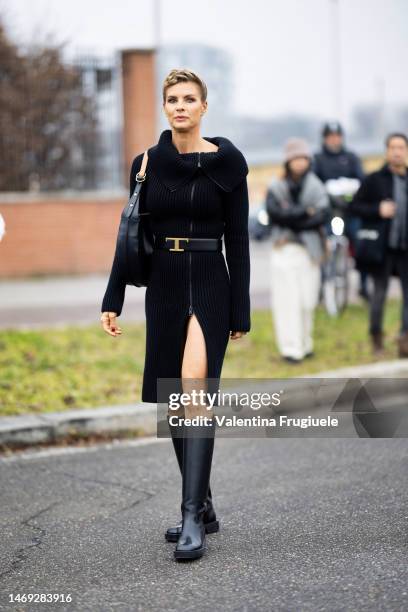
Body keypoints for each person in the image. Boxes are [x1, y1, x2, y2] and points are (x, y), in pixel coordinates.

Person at [100, 69, 251, 561]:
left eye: (189, 98)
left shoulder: (229, 163)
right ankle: (203, 504)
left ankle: (190, 518)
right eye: (172, 99)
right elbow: (128, 235)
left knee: (193, 388)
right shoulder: (145, 164)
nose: (180, 106)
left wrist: (240, 307)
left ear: (204, 106)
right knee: (173, 400)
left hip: (210, 278)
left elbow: (240, 241)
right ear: (165, 108)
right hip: (163, 280)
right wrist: (113, 297)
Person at [266, 138, 330, 362]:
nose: (299, 162)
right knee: (286, 302)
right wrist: (305, 212)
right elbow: (275, 214)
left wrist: (292, 215)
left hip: (309, 251)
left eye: (303, 157)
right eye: (295, 158)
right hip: (284, 249)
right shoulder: (276, 186)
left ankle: (306, 343)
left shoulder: (316, 185)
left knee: (307, 300)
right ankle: (291, 349)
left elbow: (322, 214)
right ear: (287, 161)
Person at [349, 132, 408, 357]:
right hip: (381, 249)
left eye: (401, 147)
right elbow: (354, 207)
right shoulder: (374, 179)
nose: (397, 151)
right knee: (379, 295)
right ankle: (377, 340)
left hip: (405, 249)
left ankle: (405, 341)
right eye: (393, 147)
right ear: (387, 151)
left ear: (406, 151)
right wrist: (377, 210)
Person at [313, 121, 369, 299]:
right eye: (330, 136)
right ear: (325, 138)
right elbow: (314, 183)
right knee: (325, 246)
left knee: (361, 244)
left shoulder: (352, 157)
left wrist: (351, 188)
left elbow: (362, 180)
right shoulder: (318, 158)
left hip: (350, 211)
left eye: (337, 136)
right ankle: (323, 285)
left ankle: (363, 284)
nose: (334, 139)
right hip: (329, 212)